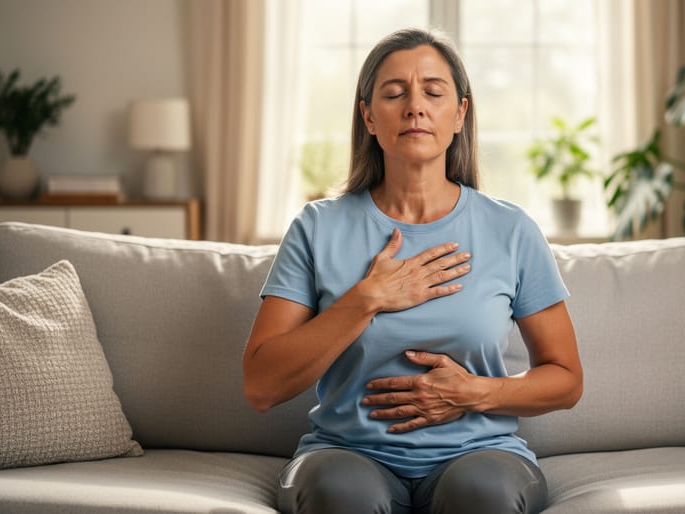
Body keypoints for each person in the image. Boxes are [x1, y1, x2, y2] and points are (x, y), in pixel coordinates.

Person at [243, 27, 582, 514]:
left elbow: (567, 379)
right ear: (368, 116)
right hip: (345, 455)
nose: (415, 107)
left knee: (483, 493)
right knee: (342, 494)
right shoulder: (318, 227)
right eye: (394, 93)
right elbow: (260, 386)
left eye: (433, 91)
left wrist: (477, 393)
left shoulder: (511, 229)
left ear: (460, 113)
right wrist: (368, 299)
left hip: (481, 456)